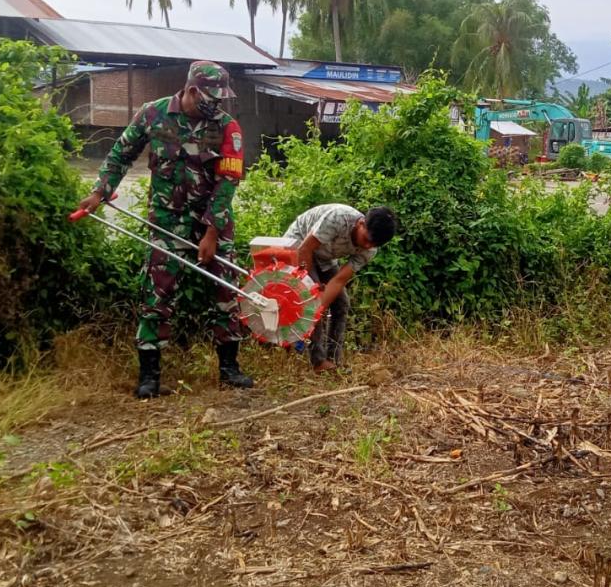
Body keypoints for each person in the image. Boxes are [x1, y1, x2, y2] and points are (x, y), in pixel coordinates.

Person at [76, 60, 253, 398]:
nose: (216, 105)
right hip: (167, 222)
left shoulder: (227, 127)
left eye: (220, 100)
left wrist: (212, 232)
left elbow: (228, 181)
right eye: (210, 98)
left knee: (226, 294)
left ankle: (230, 369)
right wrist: (99, 191)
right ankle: (149, 377)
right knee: (157, 294)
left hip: (212, 224)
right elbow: (120, 155)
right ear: (190, 90)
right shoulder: (152, 115)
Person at [281, 204, 396, 371]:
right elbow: (306, 248)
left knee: (341, 303)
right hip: (300, 245)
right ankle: (318, 361)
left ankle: (334, 360)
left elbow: (339, 280)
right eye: (366, 240)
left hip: (325, 256)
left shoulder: (371, 249)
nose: (367, 246)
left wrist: (319, 306)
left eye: (373, 245)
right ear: (361, 223)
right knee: (312, 298)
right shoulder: (338, 218)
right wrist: (312, 299)